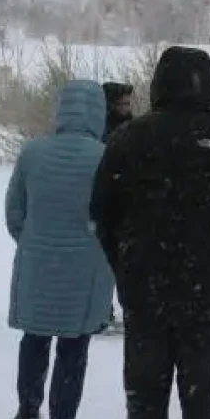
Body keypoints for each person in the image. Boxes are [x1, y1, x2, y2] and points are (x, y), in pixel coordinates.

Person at [90, 46, 210, 419]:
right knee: (203, 402)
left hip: (145, 292)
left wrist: (124, 263)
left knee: (145, 402)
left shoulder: (129, 138)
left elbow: (102, 214)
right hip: (206, 293)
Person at [5, 80, 115, 419]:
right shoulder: (106, 158)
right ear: (99, 112)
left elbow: (14, 212)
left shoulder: (32, 154)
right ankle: (63, 418)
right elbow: (114, 217)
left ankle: (27, 407)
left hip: (38, 263)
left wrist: (34, 241)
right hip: (86, 269)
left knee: (34, 338)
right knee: (74, 346)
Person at [96, 81, 135, 335]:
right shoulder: (103, 130)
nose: (127, 108)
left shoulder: (133, 128)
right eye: (122, 103)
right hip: (107, 202)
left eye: (128, 103)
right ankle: (102, 309)